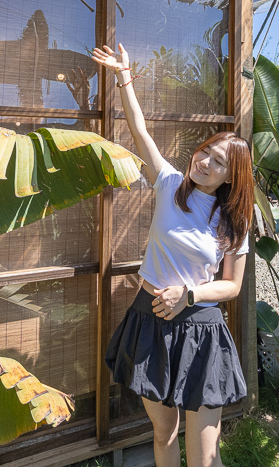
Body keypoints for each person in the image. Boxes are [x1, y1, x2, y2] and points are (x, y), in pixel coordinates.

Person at [92, 43, 253, 467]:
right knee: (163, 433)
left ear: (230, 177)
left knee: (204, 456)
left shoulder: (232, 220)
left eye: (218, 163)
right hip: (149, 320)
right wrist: (124, 76)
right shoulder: (169, 184)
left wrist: (190, 294)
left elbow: (232, 285)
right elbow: (140, 131)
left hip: (201, 330)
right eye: (205, 152)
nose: (204, 163)